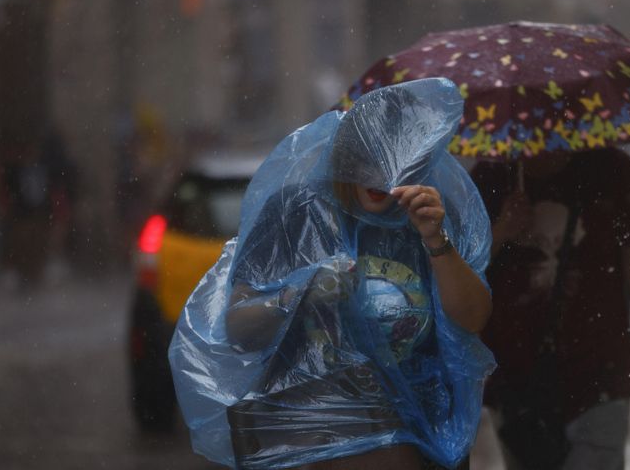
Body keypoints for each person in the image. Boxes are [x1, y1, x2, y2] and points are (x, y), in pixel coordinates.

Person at [169, 78, 495, 470]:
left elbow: (472, 320)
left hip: (411, 438)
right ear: (346, 156)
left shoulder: (430, 218)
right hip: (307, 440)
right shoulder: (295, 213)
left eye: (402, 159)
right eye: (369, 157)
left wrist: (435, 240)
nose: (384, 174)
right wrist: (300, 294)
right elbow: (240, 329)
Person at [471, 148, 630, 470]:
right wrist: (499, 232)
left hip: (600, 372)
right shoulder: (491, 176)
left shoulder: (612, 171)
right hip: (515, 380)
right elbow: (459, 278)